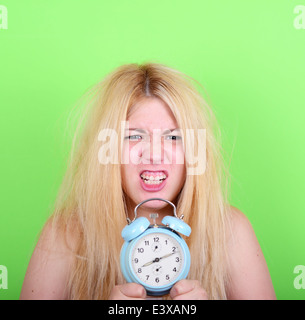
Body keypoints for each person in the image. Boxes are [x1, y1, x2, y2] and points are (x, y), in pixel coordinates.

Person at [20, 63, 276, 300]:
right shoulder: (64, 235)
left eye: (174, 138)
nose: (154, 153)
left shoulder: (231, 232)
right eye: (133, 136)